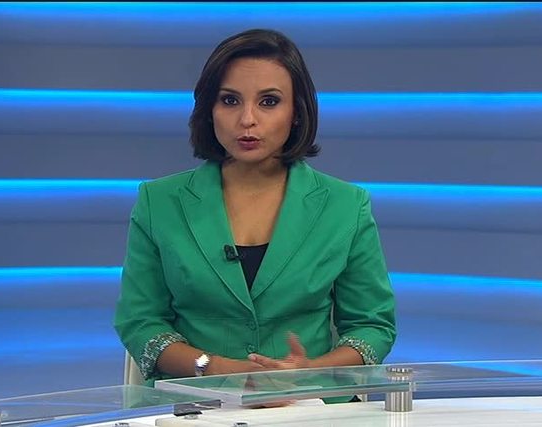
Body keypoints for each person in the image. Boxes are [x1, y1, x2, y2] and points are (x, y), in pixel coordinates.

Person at [114, 29, 396, 392]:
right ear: (209, 110)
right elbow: (140, 322)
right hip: (193, 403)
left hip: (309, 402)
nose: (247, 119)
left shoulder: (345, 205)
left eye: (269, 102)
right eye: (230, 100)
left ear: (296, 112)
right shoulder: (159, 201)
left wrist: (308, 371)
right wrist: (217, 368)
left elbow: (372, 326)